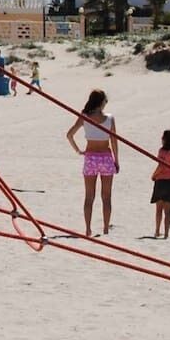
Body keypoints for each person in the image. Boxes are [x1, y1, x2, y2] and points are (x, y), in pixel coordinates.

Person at [65, 89, 118, 238]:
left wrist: (78, 150)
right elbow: (114, 141)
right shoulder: (110, 118)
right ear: (101, 102)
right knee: (106, 197)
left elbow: (69, 135)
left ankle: (88, 229)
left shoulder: (85, 116)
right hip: (106, 158)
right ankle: (106, 228)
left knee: (89, 196)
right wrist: (116, 160)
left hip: (91, 158)